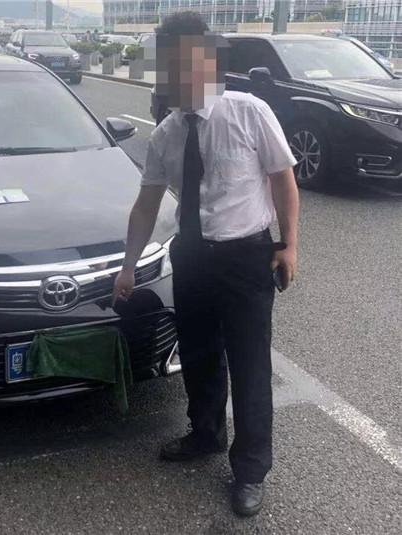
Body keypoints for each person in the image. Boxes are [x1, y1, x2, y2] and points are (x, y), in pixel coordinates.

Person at [112, 11, 299, 517]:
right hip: (191, 257)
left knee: (250, 364)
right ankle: (206, 433)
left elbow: (283, 179)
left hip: (245, 257)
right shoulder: (165, 134)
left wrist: (289, 246)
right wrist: (128, 267)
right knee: (197, 354)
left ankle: (251, 469)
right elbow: (146, 205)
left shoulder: (249, 111)